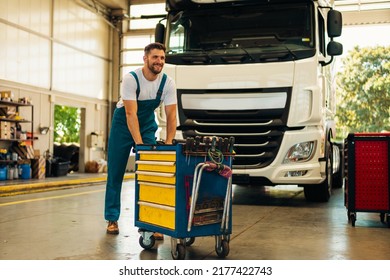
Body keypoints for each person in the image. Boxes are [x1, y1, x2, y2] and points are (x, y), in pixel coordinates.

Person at [104, 42, 177, 238]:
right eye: (155, 57)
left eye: (162, 58)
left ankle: (152, 222)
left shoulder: (168, 82)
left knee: (150, 173)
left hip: (146, 123)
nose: (159, 61)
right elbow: (130, 113)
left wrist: (169, 141)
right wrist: (138, 143)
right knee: (116, 171)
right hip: (123, 123)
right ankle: (112, 218)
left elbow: (171, 116)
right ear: (145, 59)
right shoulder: (131, 79)